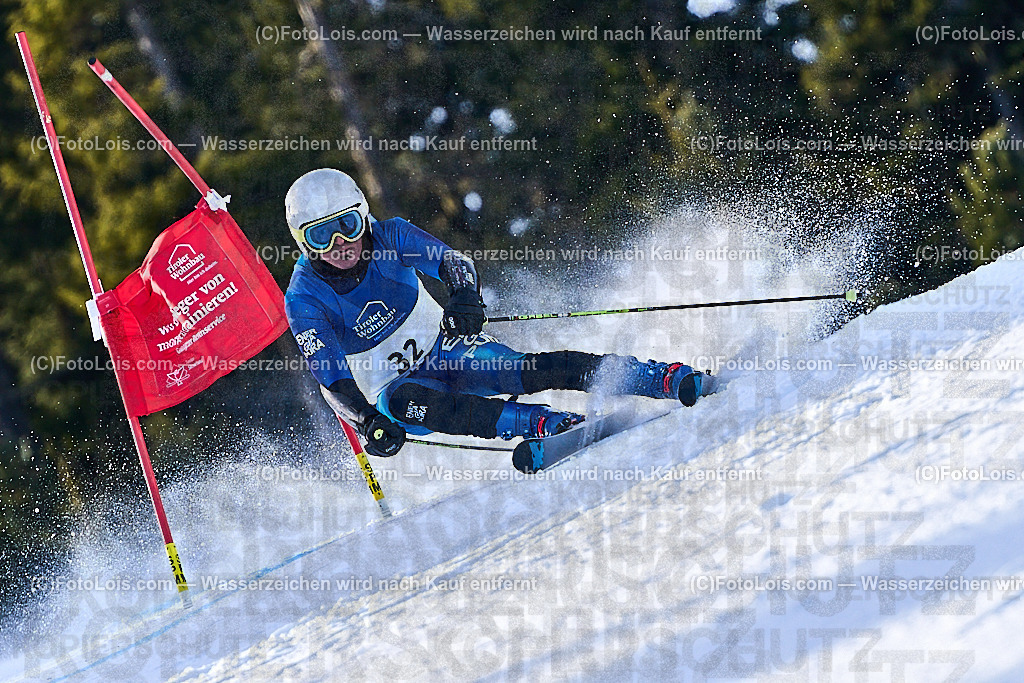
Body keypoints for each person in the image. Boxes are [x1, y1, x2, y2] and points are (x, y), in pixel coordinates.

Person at [284, 169, 717, 457]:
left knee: (529, 370)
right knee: (418, 402)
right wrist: (368, 421)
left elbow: (454, 265)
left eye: (348, 225)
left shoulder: (391, 234)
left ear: (364, 217)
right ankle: (543, 424)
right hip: (396, 392)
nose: (340, 243)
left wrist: (464, 298)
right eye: (321, 235)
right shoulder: (304, 298)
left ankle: (656, 377)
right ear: (303, 242)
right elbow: (333, 380)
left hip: (449, 349)